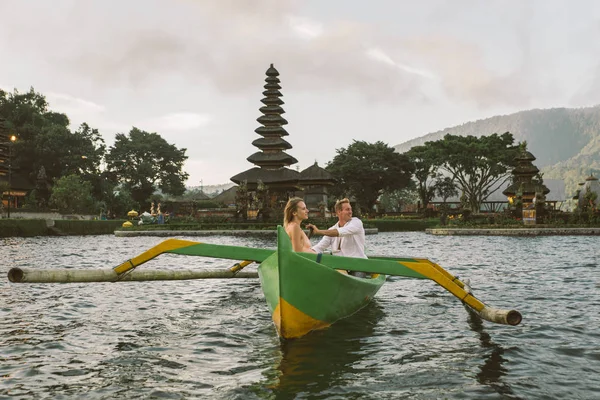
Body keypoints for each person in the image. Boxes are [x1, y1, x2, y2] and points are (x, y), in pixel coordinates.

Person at [306, 198, 368, 277]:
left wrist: (319, 232)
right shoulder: (331, 230)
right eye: (347, 210)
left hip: (358, 266)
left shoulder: (356, 222)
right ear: (339, 212)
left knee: (357, 279)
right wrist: (303, 252)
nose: (350, 212)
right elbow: (319, 248)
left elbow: (341, 232)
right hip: (340, 267)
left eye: (350, 209)